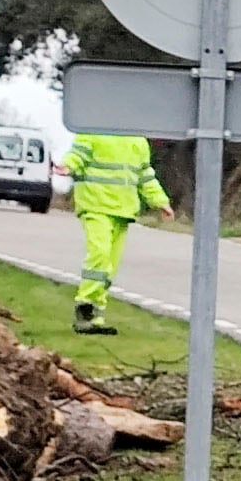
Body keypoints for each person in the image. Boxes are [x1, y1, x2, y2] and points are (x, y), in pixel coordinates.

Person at [67, 132, 170, 335]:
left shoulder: (137, 141)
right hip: (95, 205)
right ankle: (85, 304)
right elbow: (76, 156)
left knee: (109, 266)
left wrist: (160, 201)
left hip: (122, 210)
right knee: (100, 253)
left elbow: (144, 175)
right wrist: (67, 166)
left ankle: (95, 315)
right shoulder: (91, 133)